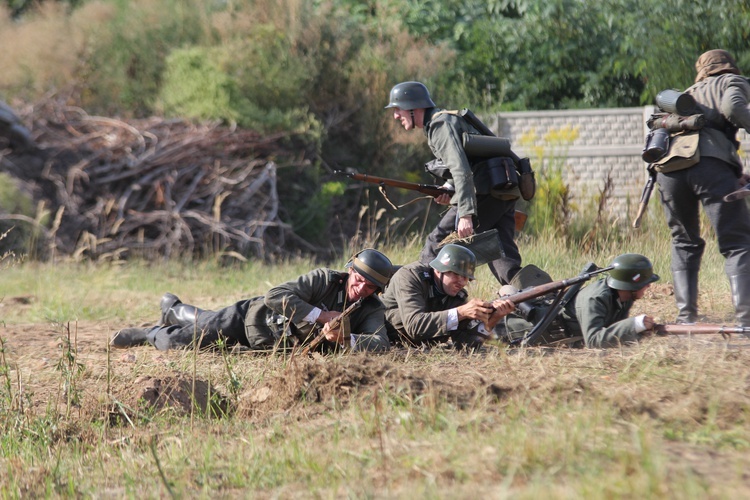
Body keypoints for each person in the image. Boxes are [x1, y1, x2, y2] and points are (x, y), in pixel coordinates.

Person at [111, 248, 394, 353]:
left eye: (370, 288)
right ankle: (149, 332)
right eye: (359, 280)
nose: (361, 289)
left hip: (268, 346)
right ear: (349, 271)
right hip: (248, 319)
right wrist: (321, 317)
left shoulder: (371, 309)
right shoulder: (324, 279)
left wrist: (345, 339)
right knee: (179, 343)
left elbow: (380, 343)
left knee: (203, 320)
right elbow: (275, 296)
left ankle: (173, 308)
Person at [385, 81, 522, 285]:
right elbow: (468, 162)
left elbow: (461, 169)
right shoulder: (445, 121)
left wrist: (466, 214)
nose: (396, 115)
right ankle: (535, 299)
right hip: (502, 189)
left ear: (414, 108)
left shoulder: (440, 125)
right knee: (502, 256)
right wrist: (449, 189)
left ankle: (417, 294)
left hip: (484, 192)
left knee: (437, 242)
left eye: (398, 109)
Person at [656, 49, 750, 326]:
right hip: (710, 168)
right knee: (737, 242)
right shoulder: (732, 81)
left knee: (684, 241)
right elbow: (733, 108)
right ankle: (745, 321)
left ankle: (687, 318)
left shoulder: (684, 95)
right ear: (729, 66)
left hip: (671, 170)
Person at [500, 254, 659, 348]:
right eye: (645, 283)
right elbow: (594, 341)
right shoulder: (595, 298)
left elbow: (612, 329)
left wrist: (638, 331)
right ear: (630, 285)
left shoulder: (625, 296)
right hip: (518, 329)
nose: (649, 286)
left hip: (559, 333)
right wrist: (634, 325)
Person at [380, 244, 515, 349]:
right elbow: (415, 326)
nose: (462, 282)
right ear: (439, 269)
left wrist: (493, 319)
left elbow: (466, 346)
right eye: (456, 274)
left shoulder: (457, 296)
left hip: (415, 347)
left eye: (466, 277)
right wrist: (460, 313)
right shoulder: (410, 277)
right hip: (381, 337)